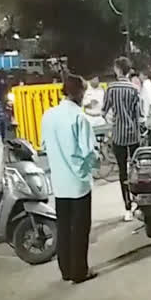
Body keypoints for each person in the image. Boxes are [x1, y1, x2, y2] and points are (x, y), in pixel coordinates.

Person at [42, 74, 99, 284]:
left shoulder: (48, 115)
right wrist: (96, 162)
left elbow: (45, 146)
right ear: (80, 93)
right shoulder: (79, 118)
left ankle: (65, 270)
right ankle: (79, 271)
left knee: (64, 227)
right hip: (79, 183)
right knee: (80, 228)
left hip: (59, 183)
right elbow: (89, 152)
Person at [102, 56, 142, 221]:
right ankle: (139, 202)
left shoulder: (111, 89)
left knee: (123, 172)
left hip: (118, 136)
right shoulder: (133, 89)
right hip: (133, 135)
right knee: (136, 170)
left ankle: (127, 207)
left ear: (117, 70)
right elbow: (138, 115)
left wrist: (112, 122)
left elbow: (104, 112)